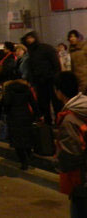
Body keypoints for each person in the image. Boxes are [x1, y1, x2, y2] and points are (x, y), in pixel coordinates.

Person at [54, 71, 87, 217]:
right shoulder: (84, 105)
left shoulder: (69, 119)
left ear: (59, 92)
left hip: (82, 180)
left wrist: (59, 162)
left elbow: (71, 156)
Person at [2, 70, 41, 170]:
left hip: (13, 116)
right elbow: (33, 102)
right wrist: (37, 115)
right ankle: (29, 154)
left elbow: (6, 103)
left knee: (17, 140)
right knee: (26, 135)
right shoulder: (26, 88)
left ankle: (24, 162)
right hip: (26, 115)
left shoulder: (8, 89)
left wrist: (6, 113)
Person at [21, 31, 62, 125]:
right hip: (39, 81)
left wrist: (55, 76)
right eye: (27, 38)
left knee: (56, 102)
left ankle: (58, 121)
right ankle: (48, 123)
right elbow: (31, 67)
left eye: (30, 38)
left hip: (51, 80)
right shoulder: (31, 52)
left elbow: (56, 63)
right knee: (43, 103)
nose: (29, 40)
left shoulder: (46, 48)